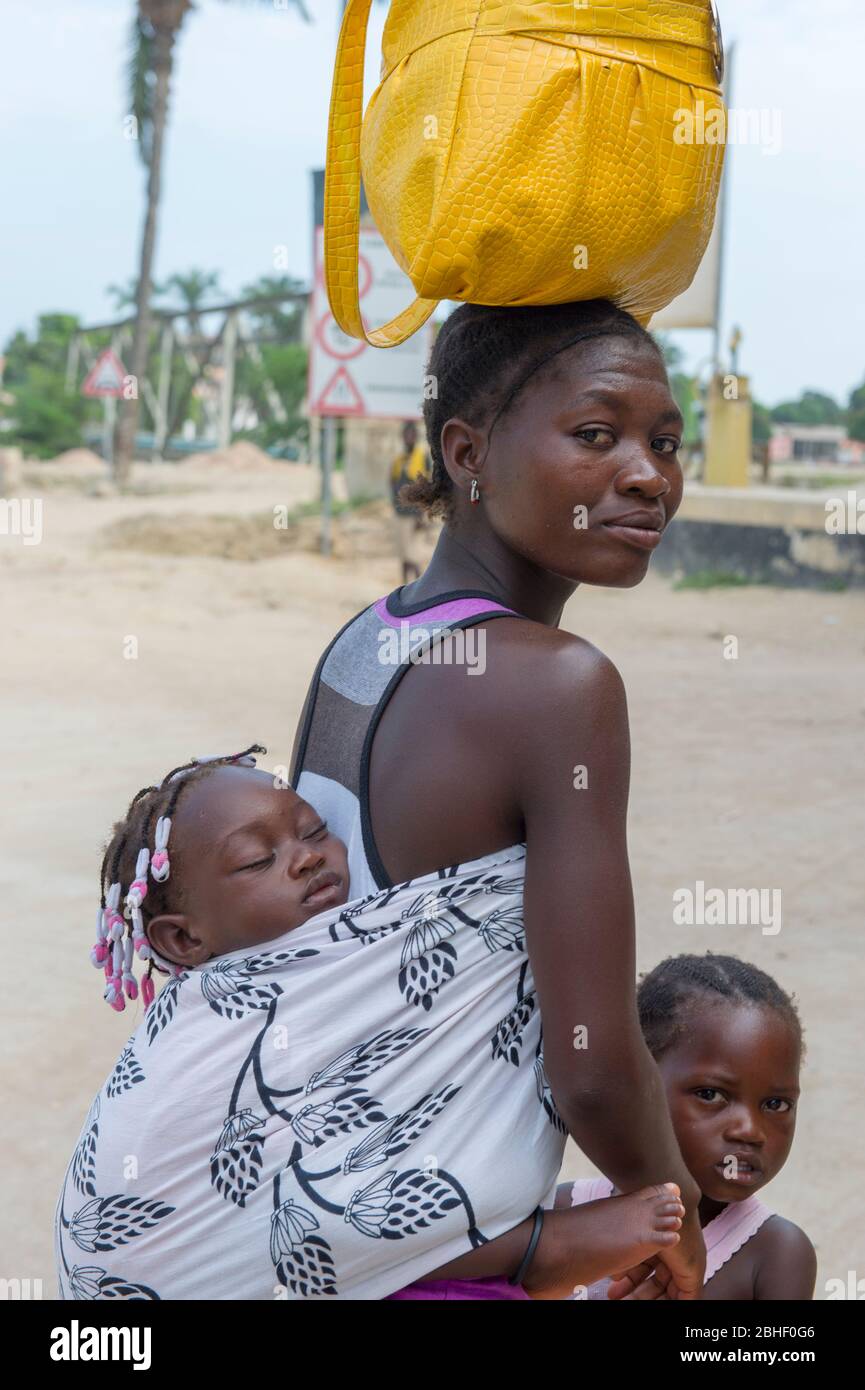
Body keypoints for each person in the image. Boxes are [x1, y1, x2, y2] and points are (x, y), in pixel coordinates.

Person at [289, 297, 710, 1299]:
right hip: (442, 1258)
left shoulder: (367, 635)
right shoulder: (559, 683)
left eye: (664, 441)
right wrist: (678, 1220)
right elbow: (593, 1063)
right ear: (466, 450)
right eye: (596, 435)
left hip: (331, 1230)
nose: (649, 476)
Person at [55, 747, 687, 1300]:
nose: (305, 858)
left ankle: (536, 1250)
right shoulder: (212, 1017)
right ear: (185, 938)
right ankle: (538, 1248)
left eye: (315, 831)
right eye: (256, 860)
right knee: (330, 1210)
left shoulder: (361, 962)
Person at [555, 954, 817, 1301]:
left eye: (776, 1104)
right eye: (710, 1094)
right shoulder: (562, 1213)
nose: (750, 1130)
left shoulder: (775, 1255)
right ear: (639, 1084)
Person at [389, 419, 431, 584]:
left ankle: (418, 587)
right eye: (406, 435)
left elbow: (427, 485)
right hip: (400, 513)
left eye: (412, 434)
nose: (409, 438)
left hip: (416, 514)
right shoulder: (399, 460)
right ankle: (404, 586)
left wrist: (424, 512)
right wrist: (394, 503)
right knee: (403, 553)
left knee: (412, 554)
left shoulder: (422, 457)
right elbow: (392, 482)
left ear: (416, 436)